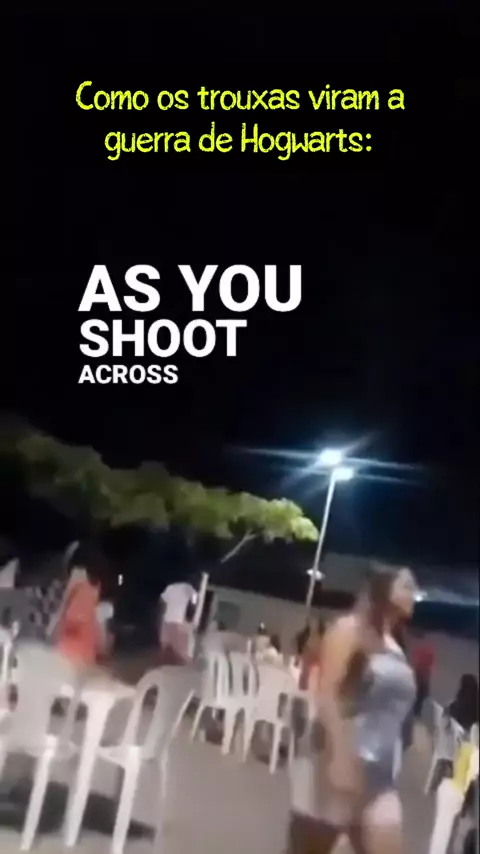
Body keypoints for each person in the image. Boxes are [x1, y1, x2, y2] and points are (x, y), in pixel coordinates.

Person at [288, 562, 418, 854]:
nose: (414, 592)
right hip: (336, 767)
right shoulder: (350, 630)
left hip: (380, 780)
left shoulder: (394, 645)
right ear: (384, 589)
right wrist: (339, 757)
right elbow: (328, 694)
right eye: (406, 585)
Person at [55, 555, 105, 670]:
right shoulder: (86, 580)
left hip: (79, 626)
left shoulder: (84, 579)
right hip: (79, 625)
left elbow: (66, 601)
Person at [159, 575, 198, 664]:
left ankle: (164, 664)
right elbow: (194, 603)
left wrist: (163, 616)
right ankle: (183, 665)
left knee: (165, 646)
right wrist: (190, 618)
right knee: (181, 651)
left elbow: (162, 602)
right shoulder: (189, 588)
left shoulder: (170, 587)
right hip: (180, 621)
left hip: (168, 620)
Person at [410, 628, 435, 720]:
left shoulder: (417, 647)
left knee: (418, 693)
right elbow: (431, 661)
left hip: (419, 673)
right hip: (424, 673)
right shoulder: (428, 647)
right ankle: (418, 711)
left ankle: (416, 710)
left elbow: (415, 661)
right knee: (422, 694)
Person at [299, 618, 326, 691]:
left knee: (307, 671)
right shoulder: (316, 638)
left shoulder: (316, 638)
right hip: (312, 654)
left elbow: (307, 650)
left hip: (311, 653)